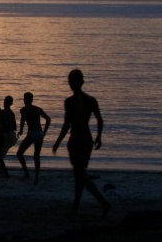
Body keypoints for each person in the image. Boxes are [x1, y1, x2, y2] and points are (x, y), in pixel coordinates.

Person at [52, 69, 111, 216]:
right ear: (82, 82)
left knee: (80, 175)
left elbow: (67, 125)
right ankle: (75, 206)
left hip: (77, 140)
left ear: (71, 83)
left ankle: (103, 202)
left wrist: (58, 141)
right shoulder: (91, 100)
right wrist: (98, 137)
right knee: (80, 174)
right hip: (87, 139)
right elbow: (99, 120)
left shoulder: (70, 101)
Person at [16, 92, 51, 184]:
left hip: (32, 133)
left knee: (19, 153)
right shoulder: (38, 109)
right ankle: (36, 177)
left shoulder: (23, 109)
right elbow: (48, 119)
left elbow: (23, 119)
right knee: (36, 156)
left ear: (25, 100)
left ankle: (27, 173)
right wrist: (44, 132)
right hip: (39, 133)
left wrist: (21, 130)